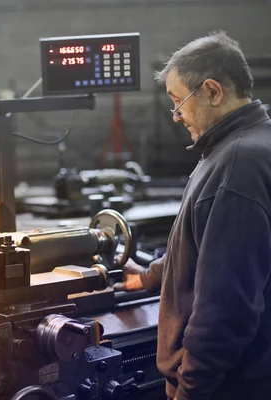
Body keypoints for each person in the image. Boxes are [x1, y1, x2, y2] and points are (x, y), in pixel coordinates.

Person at [114, 31, 271, 400]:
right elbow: (207, 247)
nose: (176, 116)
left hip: (230, 386)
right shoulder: (253, 143)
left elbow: (225, 308)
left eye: (178, 100)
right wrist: (151, 275)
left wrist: (190, 391)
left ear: (213, 91)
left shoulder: (236, 167)